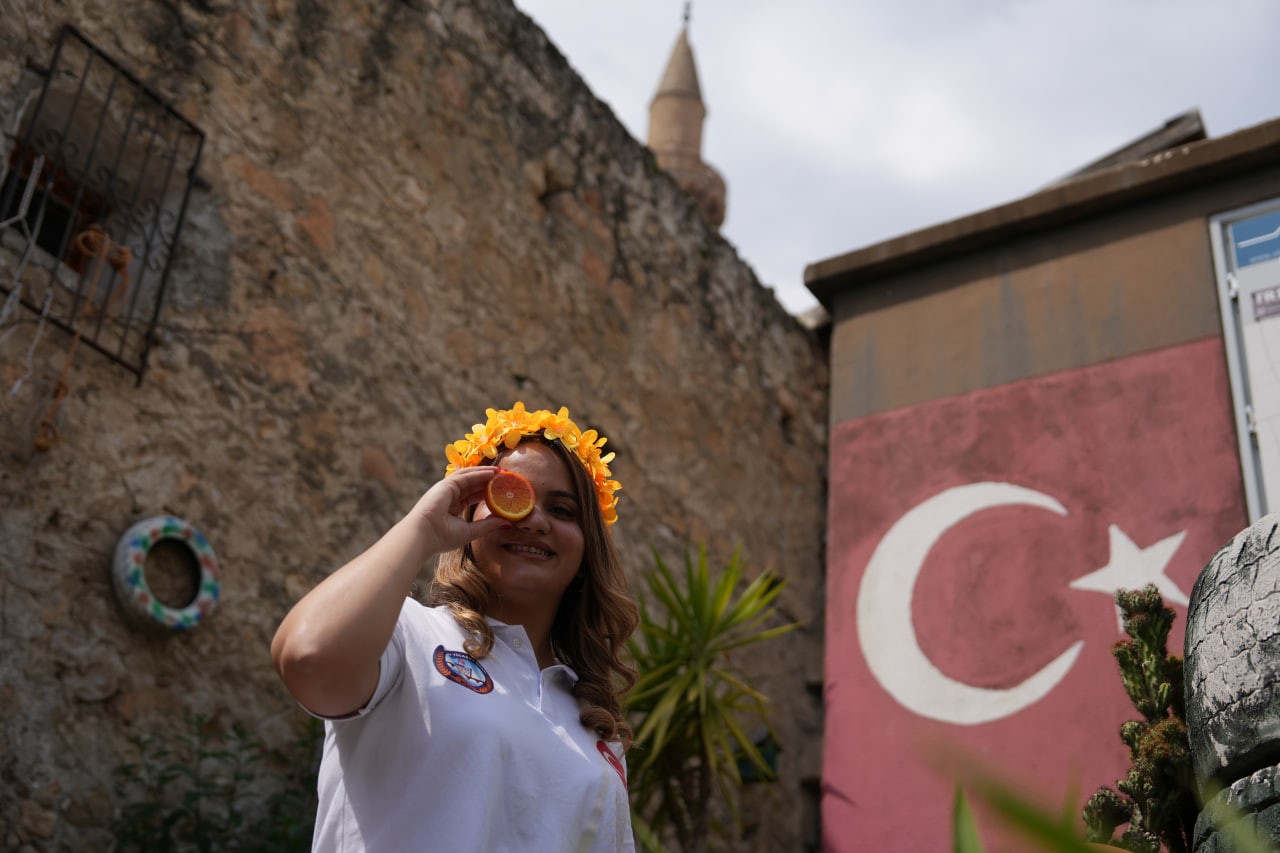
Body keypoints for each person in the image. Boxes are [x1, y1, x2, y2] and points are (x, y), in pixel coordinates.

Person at [271, 402, 639, 851]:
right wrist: (423, 528)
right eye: (510, 495)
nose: (534, 519)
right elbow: (309, 658)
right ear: (467, 515)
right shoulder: (406, 633)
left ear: (587, 547)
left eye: (563, 510)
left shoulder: (594, 727)